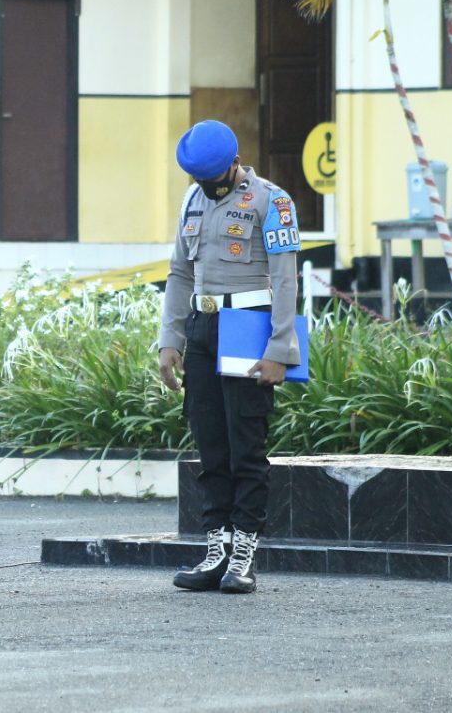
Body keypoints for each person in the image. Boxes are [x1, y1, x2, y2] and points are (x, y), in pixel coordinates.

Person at [159, 120, 301, 594]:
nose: (205, 186)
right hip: (202, 327)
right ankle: (215, 549)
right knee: (211, 446)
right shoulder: (192, 200)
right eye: (197, 179)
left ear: (235, 164)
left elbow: (286, 279)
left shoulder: (272, 201)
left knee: (246, 447)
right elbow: (179, 273)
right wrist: (170, 341)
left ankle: (244, 555)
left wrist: (280, 349)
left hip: (248, 327)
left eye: (212, 178)